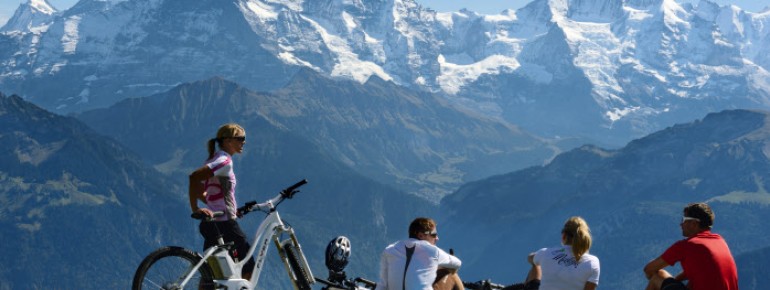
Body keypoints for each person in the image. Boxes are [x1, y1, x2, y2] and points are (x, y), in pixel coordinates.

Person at [188, 123, 256, 280]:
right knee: (248, 268)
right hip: (225, 225)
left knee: (211, 275)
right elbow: (194, 177)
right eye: (240, 138)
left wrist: (227, 208)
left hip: (212, 222)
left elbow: (208, 192)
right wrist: (195, 208)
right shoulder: (224, 162)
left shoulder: (214, 158)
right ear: (228, 141)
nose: (244, 142)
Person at [643, 203, 738, 290]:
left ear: (694, 223)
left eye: (684, 220)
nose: (681, 224)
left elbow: (649, 269)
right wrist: (674, 282)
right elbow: (699, 272)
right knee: (690, 282)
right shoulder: (720, 241)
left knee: (657, 276)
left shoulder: (686, 246)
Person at [376, 217, 462, 290]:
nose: (437, 238)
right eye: (434, 234)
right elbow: (457, 263)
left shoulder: (389, 250)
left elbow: (383, 285)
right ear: (421, 235)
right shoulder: (432, 251)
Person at [524, 216, 600, 290]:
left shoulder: (545, 253)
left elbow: (530, 258)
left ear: (564, 236)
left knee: (536, 265)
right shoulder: (592, 262)